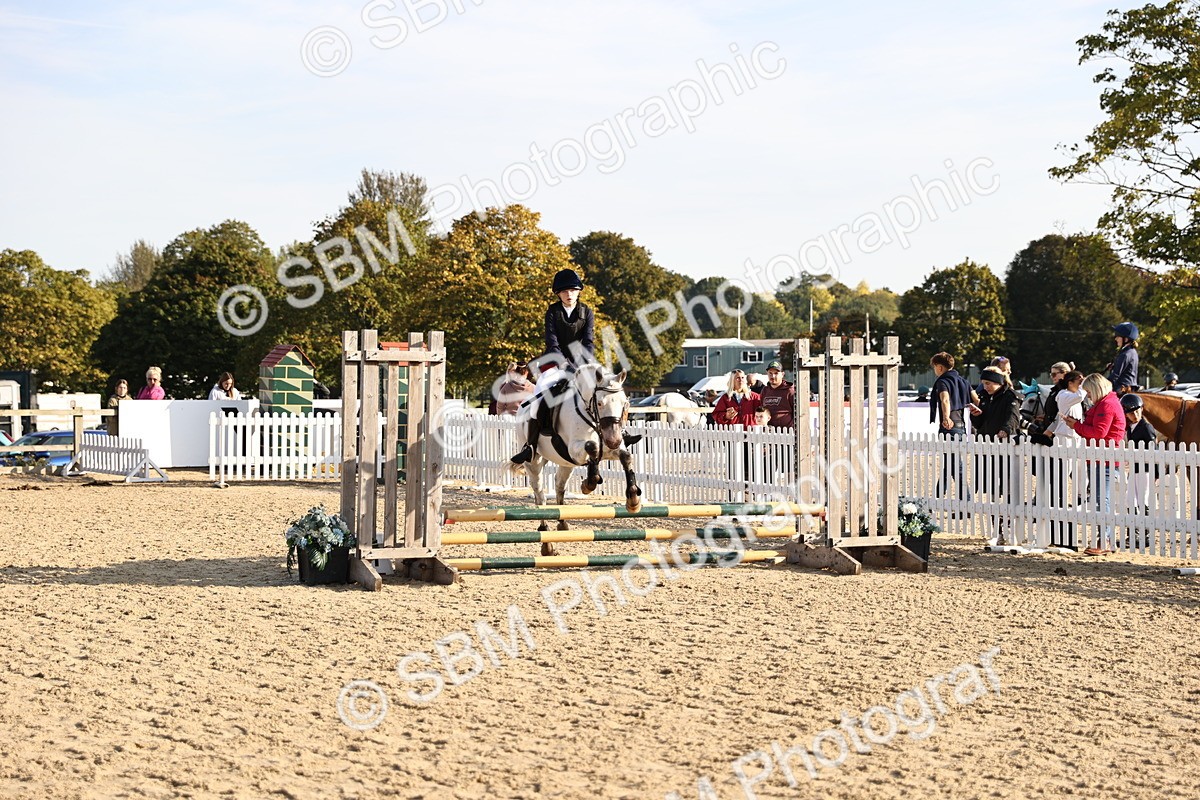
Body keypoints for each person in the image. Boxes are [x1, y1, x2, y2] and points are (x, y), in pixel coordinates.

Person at [511, 269, 605, 464]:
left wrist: (580, 365)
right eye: (564, 291)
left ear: (579, 291)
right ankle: (530, 446)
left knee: (605, 388)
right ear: (558, 293)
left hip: (581, 362)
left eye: (572, 290)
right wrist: (564, 366)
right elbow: (552, 343)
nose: (569, 294)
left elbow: (588, 342)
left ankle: (615, 435)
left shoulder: (586, 312)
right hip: (555, 363)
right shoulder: (552, 312)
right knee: (537, 402)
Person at [1063, 373, 1126, 553]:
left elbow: (1099, 433)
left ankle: (1104, 540)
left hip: (1104, 459)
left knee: (1102, 500)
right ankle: (1105, 539)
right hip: (1099, 457)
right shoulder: (1105, 403)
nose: (1088, 395)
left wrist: (1075, 426)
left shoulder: (1106, 405)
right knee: (1100, 500)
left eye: (1089, 392)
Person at [969, 368, 1021, 543]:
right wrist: (975, 416)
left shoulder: (1010, 396)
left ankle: (1007, 528)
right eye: (984, 384)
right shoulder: (984, 396)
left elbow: (1013, 417)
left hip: (1006, 448)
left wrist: (1005, 430)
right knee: (991, 490)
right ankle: (997, 530)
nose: (986, 387)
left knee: (1007, 490)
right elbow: (981, 423)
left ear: (998, 382)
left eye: (989, 383)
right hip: (988, 448)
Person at [930, 352, 972, 513]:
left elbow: (945, 399)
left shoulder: (943, 381)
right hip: (961, 427)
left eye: (935, 367)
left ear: (939, 367)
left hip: (950, 427)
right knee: (950, 465)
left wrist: (946, 417)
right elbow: (975, 399)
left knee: (955, 465)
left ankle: (966, 501)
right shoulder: (963, 381)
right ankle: (938, 499)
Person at [1121, 393, 1160, 525]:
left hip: (1146, 470)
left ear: (1142, 409)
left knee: (1144, 500)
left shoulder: (1146, 427)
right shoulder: (1131, 428)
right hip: (1135, 469)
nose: (1135, 415)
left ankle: (1146, 532)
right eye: (1131, 413)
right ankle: (1134, 530)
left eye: (1137, 411)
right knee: (1129, 500)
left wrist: (1156, 472)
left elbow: (1154, 450)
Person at [757, 360, 796, 429]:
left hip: (786, 431)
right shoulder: (765, 390)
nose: (773, 376)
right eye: (770, 373)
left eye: (776, 373)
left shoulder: (790, 390)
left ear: (782, 374)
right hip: (769, 431)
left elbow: (797, 412)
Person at [1108, 322, 1140, 394]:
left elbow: (1115, 375)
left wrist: (1101, 384)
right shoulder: (1132, 352)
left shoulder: (1125, 354)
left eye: (1118, 336)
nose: (1115, 338)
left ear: (1126, 339)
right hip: (1130, 386)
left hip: (1122, 388)